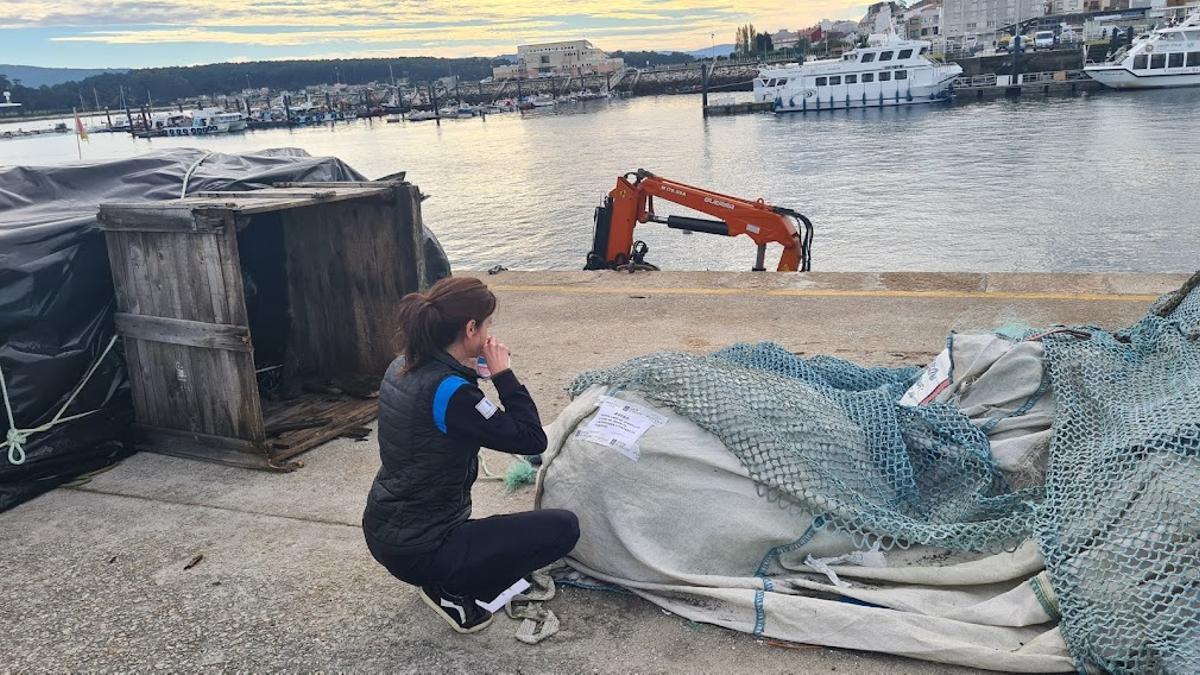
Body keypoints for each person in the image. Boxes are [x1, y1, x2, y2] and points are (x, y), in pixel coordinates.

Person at [362, 277, 579, 634]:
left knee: (499, 536)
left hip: (385, 530)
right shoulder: (453, 394)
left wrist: (471, 371)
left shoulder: (402, 365)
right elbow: (531, 439)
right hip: (424, 547)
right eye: (488, 325)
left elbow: (435, 414)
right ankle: (452, 590)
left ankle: (444, 574)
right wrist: (503, 374)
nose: (490, 333)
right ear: (470, 328)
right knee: (563, 528)